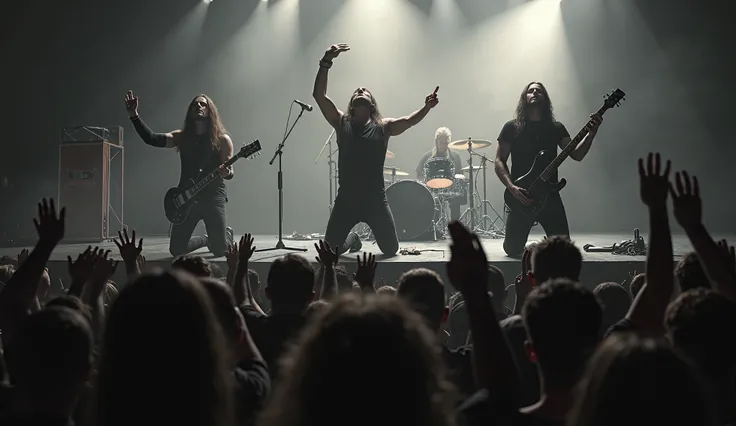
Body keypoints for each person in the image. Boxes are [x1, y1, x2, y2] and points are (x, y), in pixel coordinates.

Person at [312, 43, 439, 256]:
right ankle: (352, 239)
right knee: (329, 252)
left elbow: (409, 121)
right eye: (357, 91)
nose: (361, 90)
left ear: (372, 105)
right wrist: (326, 61)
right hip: (346, 199)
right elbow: (319, 96)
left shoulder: (384, 126)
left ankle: (356, 237)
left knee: (391, 249)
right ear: (352, 104)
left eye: (365, 91)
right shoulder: (341, 122)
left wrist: (426, 107)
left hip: (375, 200)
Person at [494, 82, 602, 257]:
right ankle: (537, 248)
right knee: (512, 249)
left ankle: (540, 248)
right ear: (524, 98)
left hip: (549, 195)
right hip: (522, 194)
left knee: (564, 249)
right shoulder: (511, 127)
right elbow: (499, 160)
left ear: (545, 99)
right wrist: (511, 187)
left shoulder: (556, 128)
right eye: (530, 90)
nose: (535, 92)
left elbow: (577, 154)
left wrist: (592, 133)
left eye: (539, 91)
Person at [124, 91, 235, 257]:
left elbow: (230, 171)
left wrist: (226, 173)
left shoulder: (222, 139)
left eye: (203, 104)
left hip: (213, 196)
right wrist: (134, 116)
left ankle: (224, 235)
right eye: (195, 104)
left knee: (220, 250)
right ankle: (206, 239)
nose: (199, 106)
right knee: (176, 249)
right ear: (190, 112)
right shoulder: (182, 137)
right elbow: (152, 138)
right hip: (187, 196)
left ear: (210, 110)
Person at [416, 127, 465, 220]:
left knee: (456, 201)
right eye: (441, 142)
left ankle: (455, 227)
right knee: (432, 205)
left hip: (451, 188)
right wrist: (424, 185)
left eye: (446, 143)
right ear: (436, 142)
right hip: (432, 189)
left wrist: (460, 179)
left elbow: (460, 174)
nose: (443, 145)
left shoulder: (455, 156)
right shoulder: (427, 156)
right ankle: (435, 228)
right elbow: (419, 175)